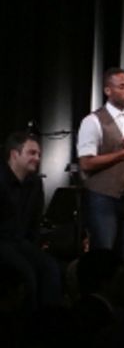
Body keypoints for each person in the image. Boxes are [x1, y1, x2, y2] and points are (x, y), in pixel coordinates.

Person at [77, 68, 124, 264]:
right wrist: (123, 154)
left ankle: (123, 293)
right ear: (108, 91)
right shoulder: (93, 121)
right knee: (103, 255)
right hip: (103, 197)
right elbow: (86, 162)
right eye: (122, 86)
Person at [0, 132, 61, 308]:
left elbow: (35, 221)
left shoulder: (34, 183)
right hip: (2, 241)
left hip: (20, 242)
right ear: (14, 154)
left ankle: (50, 321)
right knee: (27, 273)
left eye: (39, 154)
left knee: (50, 268)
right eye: (32, 153)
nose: (37, 158)